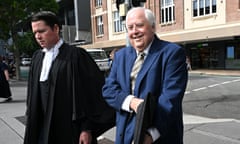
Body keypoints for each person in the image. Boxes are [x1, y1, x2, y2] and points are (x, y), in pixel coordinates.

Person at [24, 11, 115, 144]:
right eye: (35, 33)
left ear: (56, 28)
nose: (38, 36)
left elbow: (92, 95)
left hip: (70, 130)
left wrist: (87, 129)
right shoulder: (37, 58)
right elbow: (32, 95)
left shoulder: (76, 56)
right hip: (42, 128)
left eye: (42, 31)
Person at [102, 7, 188, 144]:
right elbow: (108, 90)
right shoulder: (120, 56)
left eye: (140, 25)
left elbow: (170, 100)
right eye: (130, 27)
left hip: (157, 136)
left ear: (153, 27)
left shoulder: (172, 53)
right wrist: (131, 102)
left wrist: (150, 134)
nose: (134, 31)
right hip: (124, 135)